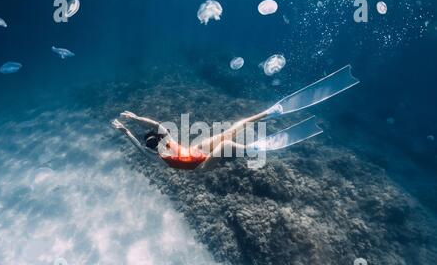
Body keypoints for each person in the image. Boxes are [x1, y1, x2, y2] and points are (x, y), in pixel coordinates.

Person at [111, 65, 359, 171]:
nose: (164, 143)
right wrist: (126, 133)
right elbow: (140, 149)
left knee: (234, 128)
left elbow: (155, 125)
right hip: (200, 166)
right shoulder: (155, 155)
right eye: (161, 146)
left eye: (162, 141)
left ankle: (273, 111)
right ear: (156, 149)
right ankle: (255, 148)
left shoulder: (162, 139)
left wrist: (134, 117)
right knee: (228, 145)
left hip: (194, 149)